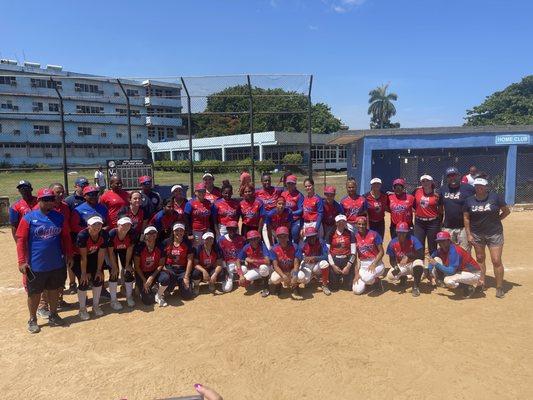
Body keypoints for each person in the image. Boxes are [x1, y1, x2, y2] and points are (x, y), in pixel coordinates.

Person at [16, 188, 72, 333]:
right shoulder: (29, 218)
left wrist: (69, 254)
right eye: (45, 199)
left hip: (56, 262)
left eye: (51, 199)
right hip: (36, 264)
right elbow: (21, 240)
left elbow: (66, 237)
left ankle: (53, 314)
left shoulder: (59, 217)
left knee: (54, 290)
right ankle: (32, 318)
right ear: (39, 200)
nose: (49, 202)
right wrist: (22, 261)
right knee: (34, 293)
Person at [463, 177, 510, 298]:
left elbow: (506, 211)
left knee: (496, 260)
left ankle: (499, 287)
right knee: (480, 258)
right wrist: (468, 234)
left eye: (481, 186)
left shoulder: (495, 197)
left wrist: (497, 220)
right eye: (477, 186)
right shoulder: (469, 200)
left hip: (494, 233)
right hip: (477, 234)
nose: (479, 188)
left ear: (486, 187)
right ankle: (481, 283)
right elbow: (466, 218)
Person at [73, 215, 112, 320]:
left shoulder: (103, 234)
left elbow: (101, 253)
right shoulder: (83, 235)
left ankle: (95, 305)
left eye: (99, 224)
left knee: (98, 279)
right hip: (78, 259)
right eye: (94, 224)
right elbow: (83, 257)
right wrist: (84, 273)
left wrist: (99, 270)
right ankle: (82, 309)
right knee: (84, 281)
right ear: (88, 225)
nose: (97, 226)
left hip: (94, 256)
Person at [426, 231, 482, 298]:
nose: (441, 243)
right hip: (460, 271)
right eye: (439, 241)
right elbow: (432, 257)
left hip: (473, 273)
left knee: (448, 281)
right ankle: (460, 283)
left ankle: (468, 287)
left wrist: (436, 264)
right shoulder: (442, 249)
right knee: (436, 259)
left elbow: (451, 271)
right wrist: (429, 271)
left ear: (449, 241)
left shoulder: (454, 251)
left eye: (443, 241)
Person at [134, 226, 175, 306]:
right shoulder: (139, 247)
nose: (152, 235)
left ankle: (158, 295)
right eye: (149, 233)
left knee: (166, 278)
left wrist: (152, 277)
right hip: (142, 273)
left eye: (154, 233)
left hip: (154, 271)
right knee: (148, 301)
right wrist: (144, 280)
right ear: (145, 236)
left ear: (156, 235)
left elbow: (161, 265)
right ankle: (151, 288)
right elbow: (137, 267)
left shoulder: (160, 246)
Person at [438, 167, 475, 251]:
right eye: (449, 176)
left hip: (464, 228)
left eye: (454, 175)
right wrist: (440, 225)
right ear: (447, 178)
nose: (452, 178)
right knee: (447, 252)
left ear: (459, 176)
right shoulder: (443, 189)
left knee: (464, 253)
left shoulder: (469, 189)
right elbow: (440, 208)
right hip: (448, 227)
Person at [385, 222, 425, 296]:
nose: (401, 235)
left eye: (404, 232)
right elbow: (392, 260)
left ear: (407, 232)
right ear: (396, 232)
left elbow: (421, 254)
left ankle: (416, 287)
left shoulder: (413, 239)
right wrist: (396, 267)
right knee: (391, 276)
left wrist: (408, 256)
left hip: (412, 264)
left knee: (419, 263)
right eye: (399, 232)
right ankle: (403, 277)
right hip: (402, 265)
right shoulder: (392, 243)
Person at [352, 216, 386, 295]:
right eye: (359, 224)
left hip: (376, 263)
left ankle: (377, 281)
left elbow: (381, 252)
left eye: (363, 224)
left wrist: (374, 264)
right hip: (363, 264)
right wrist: (357, 274)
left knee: (367, 278)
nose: (361, 226)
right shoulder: (355, 237)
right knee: (357, 290)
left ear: (366, 224)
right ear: (356, 225)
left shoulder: (374, 234)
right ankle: (368, 282)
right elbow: (355, 257)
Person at [108, 216, 136, 308]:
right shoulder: (112, 233)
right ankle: (113, 300)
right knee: (114, 273)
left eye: (128, 225)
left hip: (125, 250)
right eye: (123, 225)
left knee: (128, 272)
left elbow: (129, 249)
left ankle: (129, 297)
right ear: (118, 225)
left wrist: (127, 265)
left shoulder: (131, 233)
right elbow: (111, 252)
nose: (126, 227)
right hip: (113, 251)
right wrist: (114, 266)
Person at [162, 223, 194, 301]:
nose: (179, 232)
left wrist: (186, 276)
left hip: (182, 269)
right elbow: (162, 258)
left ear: (184, 232)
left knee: (187, 295)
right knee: (167, 285)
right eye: (176, 230)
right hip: (170, 268)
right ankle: (167, 288)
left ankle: (185, 284)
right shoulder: (166, 242)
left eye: (181, 230)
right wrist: (164, 268)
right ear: (173, 231)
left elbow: (190, 260)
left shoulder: (187, 243)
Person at [269, 226, 302, 299]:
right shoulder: (274, 249)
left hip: (292, 270)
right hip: (281, 271)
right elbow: (275, 266)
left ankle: (295, 287)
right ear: (277, 237)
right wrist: (283, 276)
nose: (283, 238)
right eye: (280, 236)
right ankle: (279, 285)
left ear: (288, 236)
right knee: (274, 279)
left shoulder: (295, 246)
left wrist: (295, 274)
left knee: (301, 277)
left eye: (285, 236)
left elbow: (296, 263)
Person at [412, 175, 442, 255]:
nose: (425, 183)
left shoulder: (437, 193)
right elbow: (409, 199)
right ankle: (419, 264)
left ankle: (432, 265)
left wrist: (439, 223)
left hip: (433, 223)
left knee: (432, 246)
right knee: (418, 245)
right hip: (419, 223)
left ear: (432, 182)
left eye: (427, 181)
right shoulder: (417, 191)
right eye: (423, 181)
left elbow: (440, 209)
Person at [236, 230, 271, 296]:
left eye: (255, 239)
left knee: (263, 267)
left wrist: (253, 260)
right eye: (251, 239)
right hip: (254, 269)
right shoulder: (246, 247)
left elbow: (268, 261)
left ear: (258, 239)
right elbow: (238, 260)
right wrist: (241, 275)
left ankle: (266, 287)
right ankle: (257, 280)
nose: (253, 241)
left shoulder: (262, 246)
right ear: (248, 240)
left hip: (266, 268)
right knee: (243, 282)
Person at [298, 227, 331, 295]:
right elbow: (297, 256)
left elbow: (326, 257)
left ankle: (324, 285)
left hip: (316, 265)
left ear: (316, 235)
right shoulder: (304, 243)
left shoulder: (320, 241)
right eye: (310, 237)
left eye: (313, 236)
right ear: (307, 237)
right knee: (303, 279)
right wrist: (304, 258)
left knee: (325, 264)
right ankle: (311, 278)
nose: (312, 238)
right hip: (308, 265)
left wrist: (315, 258)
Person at [328, 214, 356, 291]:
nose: (341, 223)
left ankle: (344, 276)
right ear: (336, 223)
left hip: (346, 259)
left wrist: (348, 266)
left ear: (346, 222)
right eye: (339, 222)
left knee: (349, 287)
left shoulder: (350, 234)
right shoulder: (330, 233)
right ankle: (338, 277)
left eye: (343, 221)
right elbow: (327, 252)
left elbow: (353, 252)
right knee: (333, 288)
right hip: (335, 260)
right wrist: (333, 266)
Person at [217, 220, 246, 293]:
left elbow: (244, 254)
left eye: (234, 229)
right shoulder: (221, 239)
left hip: (238, 263)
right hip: (227, 264)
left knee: (244, 269)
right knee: (226, 289)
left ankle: (238, 276)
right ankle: (230, 277)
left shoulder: (241, 239)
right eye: (229, 228)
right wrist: (224, 269)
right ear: (226, 229)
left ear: (237, 229)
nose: (232, 230)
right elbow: (221, 256)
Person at [185, 183, 215, 247]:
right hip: (196, 231)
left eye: (203, 191)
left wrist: (212, 230)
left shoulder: (208, 203)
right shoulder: (190, 203)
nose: (202, 193)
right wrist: (189, 233)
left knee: (206, 247)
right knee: (196, 248)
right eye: (199, 191)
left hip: (206, 229)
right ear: (195, 192)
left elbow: (211, 218)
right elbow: (186, 219)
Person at [281, 174, 304, 243]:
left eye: (292, 183)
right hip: (285, 219)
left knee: (294, 234)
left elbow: (301, 210)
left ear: (295, 184)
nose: (290, 185)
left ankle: (296, 250)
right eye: (288, 183)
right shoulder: (283, 194)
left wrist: (292, 213)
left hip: (295, 220)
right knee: (286, 237)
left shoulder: (299, 195)